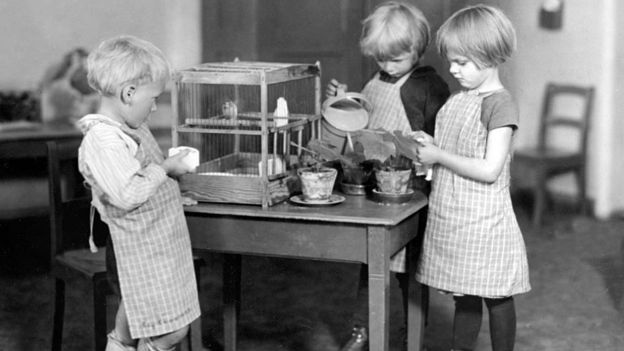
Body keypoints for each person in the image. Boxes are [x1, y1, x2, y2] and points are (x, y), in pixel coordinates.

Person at [325, 2, 450, 350]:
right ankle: (361, 330)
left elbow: (442, 139)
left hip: (410, 194)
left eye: (396, 59)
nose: (388, 67)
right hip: (376, 188)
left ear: (418, 49)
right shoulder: (377, 80)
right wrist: (343, 102)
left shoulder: (430, 87)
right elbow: (361, 120)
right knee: (372, 264)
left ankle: (412, 337)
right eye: (381, 59)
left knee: (410, 274)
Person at [414, 5, 531, 351]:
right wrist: (431, 145)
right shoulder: (457, 100)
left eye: (461, 62)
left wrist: (439, 156)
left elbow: (490, 168)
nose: (452, 69)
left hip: (485, 220)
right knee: (464, 293)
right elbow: (459, 148)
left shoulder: (500, 104)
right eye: (451, 60)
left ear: (489, 55)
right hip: (455, 215)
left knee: (496, 295)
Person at [77, 35, 201, 351]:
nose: (156, 106)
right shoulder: (104, 141)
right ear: (129, 93)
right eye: (154, 98)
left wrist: (172, 190)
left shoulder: (127, 126)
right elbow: (130, 193)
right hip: (137, 250)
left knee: (131, 326)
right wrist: (168, 169)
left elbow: (147, 173)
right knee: (171, 331)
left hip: (156, 244)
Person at [39, 47, 99, 123]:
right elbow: (81, 111)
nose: (85, 74)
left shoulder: (71, 89)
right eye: (81, 68)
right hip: (57, 131)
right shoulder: (58, 88)